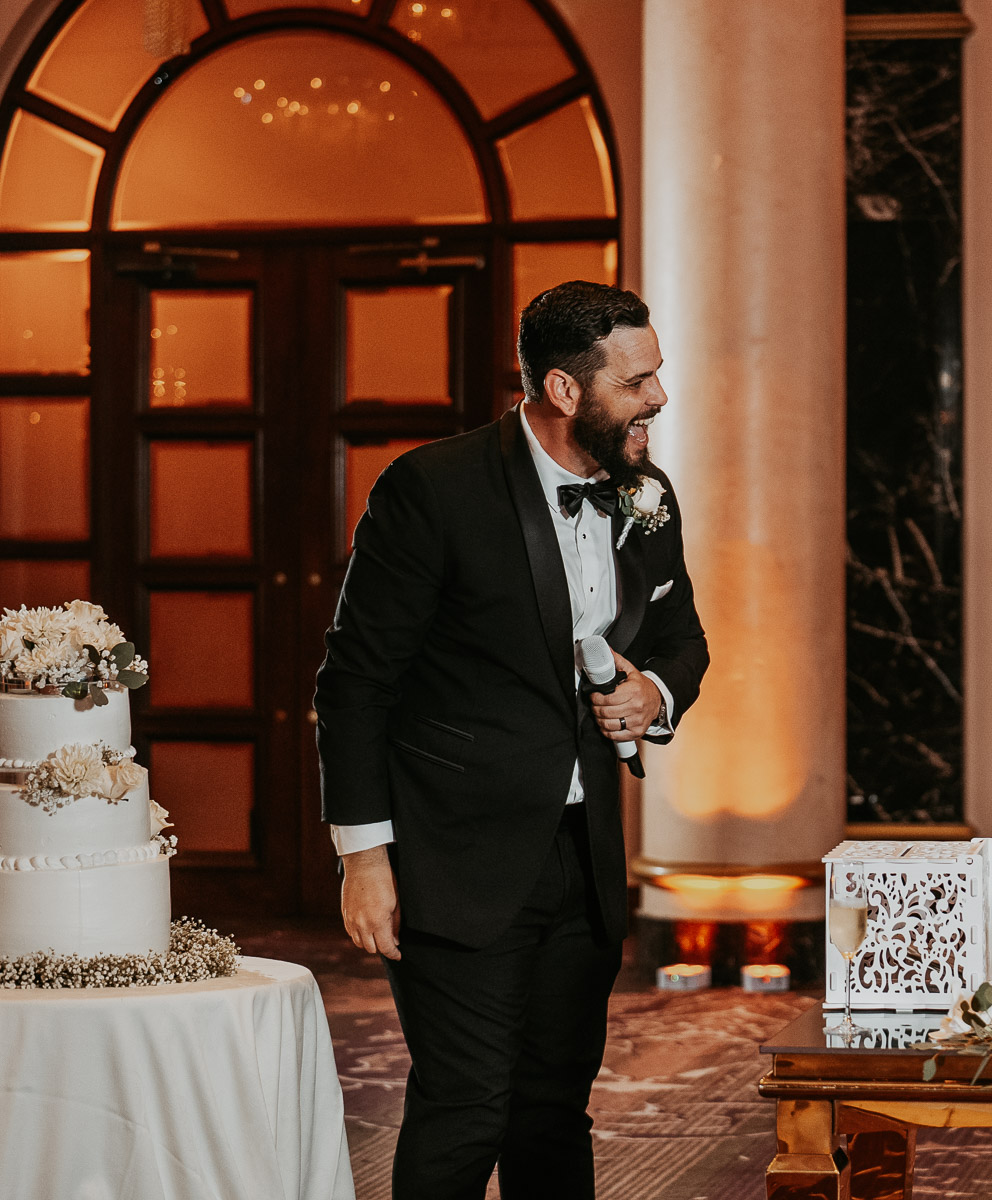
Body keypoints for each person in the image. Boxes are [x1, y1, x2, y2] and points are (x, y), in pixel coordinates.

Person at [314, 282, 708, 1200]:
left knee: (552, 1111)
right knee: (467, 1108)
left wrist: (655, 691)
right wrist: (364, 857)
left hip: (585, 857)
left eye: (658, 375)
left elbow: (681, 635)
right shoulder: (432, 488)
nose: (658, 397)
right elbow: (355, 680)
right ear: (566, 391)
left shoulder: (646, 493)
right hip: (458, 854)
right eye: (638, 380)